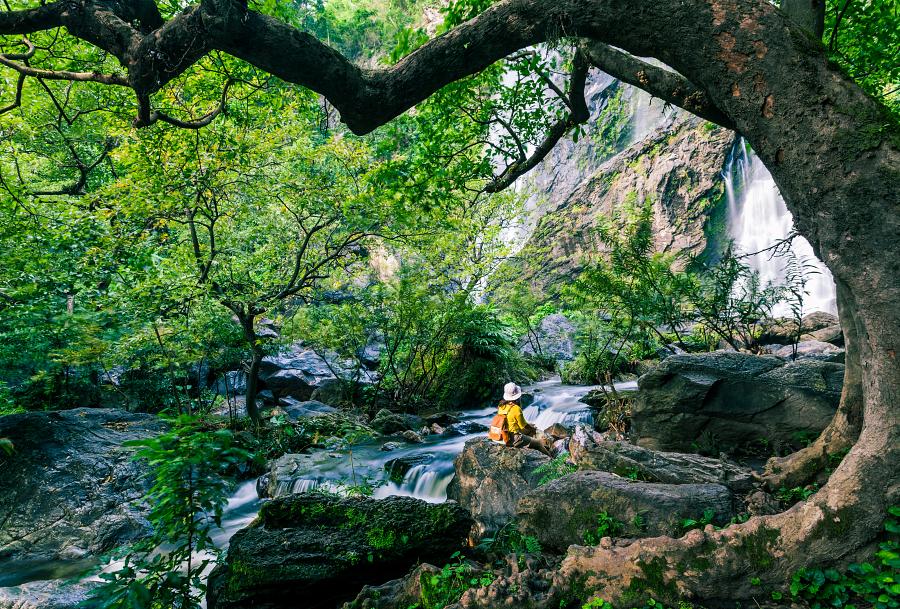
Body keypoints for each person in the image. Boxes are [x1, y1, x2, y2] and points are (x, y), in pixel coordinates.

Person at [493, 382, 554, 457]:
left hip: (500, 435)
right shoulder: (516, 408)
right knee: (537, 442)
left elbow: (510, 422)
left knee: (530, 429)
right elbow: (523, 426)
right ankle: (551, 459)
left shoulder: (501, 405)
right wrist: (533, 429)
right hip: (511, 438)